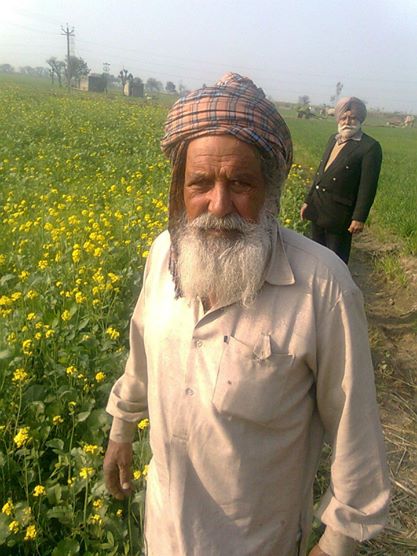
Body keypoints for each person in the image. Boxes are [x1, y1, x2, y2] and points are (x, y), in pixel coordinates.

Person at [104, 74, 390, 556]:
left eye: (240, 183)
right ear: (179, 188)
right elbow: (142, 351)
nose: (218, 205)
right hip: (166, 534)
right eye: (200, 184)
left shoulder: (323, 288)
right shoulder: (163, 255)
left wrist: (338, 542)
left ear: (271, 190)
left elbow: (356, 433)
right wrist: (122, 426)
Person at [300, 97, 382, 264]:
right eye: (343, 117)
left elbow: (368, 186)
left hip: (340, 215)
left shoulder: (369, 147)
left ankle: (337, 290)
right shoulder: (333, 139)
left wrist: (359, 217)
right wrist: (308, 201)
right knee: (315, 258)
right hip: (318, 207)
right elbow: (320, 173)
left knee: (335, 262)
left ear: (360, 119)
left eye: (352, 118)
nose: (347, 122)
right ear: (338, 119)